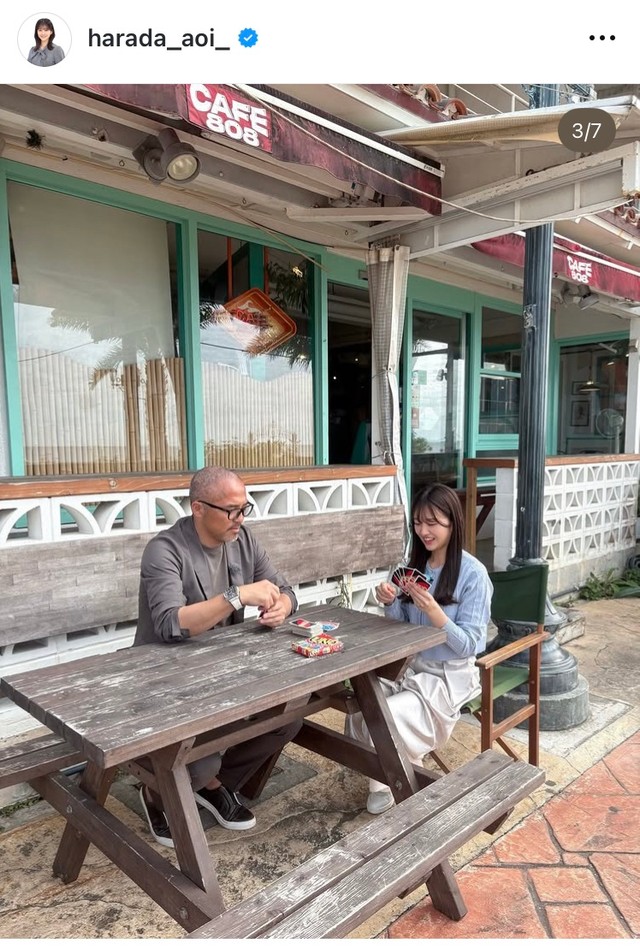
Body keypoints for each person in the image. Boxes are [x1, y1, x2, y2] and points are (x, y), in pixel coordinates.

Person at [134, 465, 299, 848]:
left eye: (244, 508)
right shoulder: (165, 550)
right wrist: (237, 596)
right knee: (201, 758)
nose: (240, 518)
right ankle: (158, 794)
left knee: (288, 717)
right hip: (168, 677)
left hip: (227, 669)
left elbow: (285, 589)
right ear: (198, 508)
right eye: (231, 510)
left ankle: (212, 783)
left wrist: (284, 606)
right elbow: (169, 623)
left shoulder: (243, 540)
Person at [347, 483, 493, 815]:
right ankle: (399, 772)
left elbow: (470, 645)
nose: (423, 531)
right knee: (362, 706)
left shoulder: (473, 574)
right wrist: (390, 603)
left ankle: (388, 780)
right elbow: (402, 628)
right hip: (408, 667)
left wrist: (435, 613)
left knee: (387, 718)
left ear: (452, 522)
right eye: (417, 523)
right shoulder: (412, 566)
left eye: (432, 523)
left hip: (447, 678)